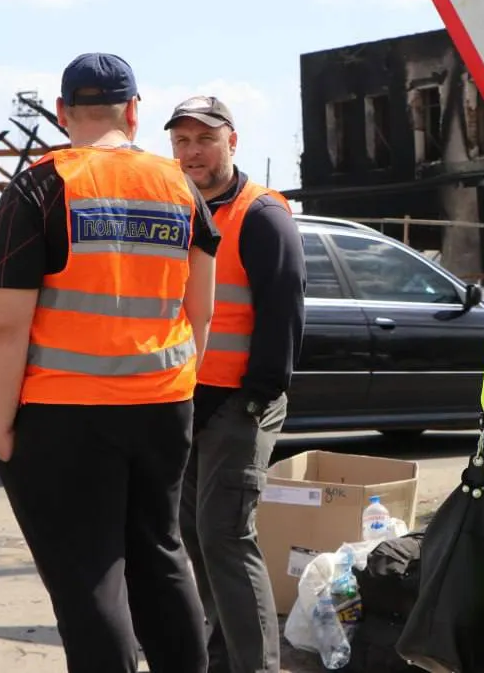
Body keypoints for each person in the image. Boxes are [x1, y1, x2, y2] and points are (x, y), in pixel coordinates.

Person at [0, 53, 219, 673]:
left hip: (65, 414)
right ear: (135, 113)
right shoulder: (180, 187)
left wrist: (3, 426)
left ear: (63, 114)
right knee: (161, 558)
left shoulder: (40, 186)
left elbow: (6, 327)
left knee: (91, 580)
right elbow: (201, 313)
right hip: (164, 406)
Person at [165, 95, 305, 673]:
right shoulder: (177, 207)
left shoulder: (260, 213)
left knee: (224, 535)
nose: (192, 152)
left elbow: (284, 309)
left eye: (204, 139)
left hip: (240, 402)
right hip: (187, 399)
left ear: (232, 142)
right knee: (192, 536)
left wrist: (258, 393)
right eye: (182, 141)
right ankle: (220, 659)